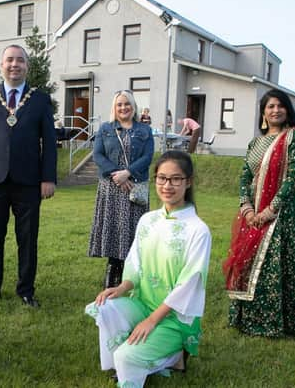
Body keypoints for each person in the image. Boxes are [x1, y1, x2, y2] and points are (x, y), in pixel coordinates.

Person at [86, 151, 211, 388]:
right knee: (104, 308)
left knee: (125, 357)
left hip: (174, 319)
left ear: (189, 181)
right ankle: (142, 356)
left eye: (175, 179)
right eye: (161, 178)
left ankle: (174, 355)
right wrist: (122, 287)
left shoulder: (198, 230)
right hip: (143, 304)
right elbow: (135, 262)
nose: (167, 185)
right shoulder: (148, 220)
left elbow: (189, 285)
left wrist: (152, 321)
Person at [223, 89, 295, 337]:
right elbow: (245, 176)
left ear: (287, 109)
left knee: (272, 264)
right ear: (263, 113)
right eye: (270, 107)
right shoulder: (255, 143)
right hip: (253, 212)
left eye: (280, 106)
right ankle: (247, 318)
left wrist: (270, 210)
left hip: (282, 213)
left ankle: (276, 322)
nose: (275, 110)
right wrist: (246, 208)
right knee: (248, 262)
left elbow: (293, 178)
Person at [0, 44, 57, 308]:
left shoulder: (40, 99)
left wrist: (48, 178)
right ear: (1, 65)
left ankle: (26, 290)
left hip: (29, 181)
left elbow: (49, 142)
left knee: (27, 239)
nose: (14, 65)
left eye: (20, 60)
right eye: (9, 60)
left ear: (27, 66)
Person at [88, 90, 154, 288]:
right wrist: (118, 174)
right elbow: (98, 155)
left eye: (127, 104)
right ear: (114, 108)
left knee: (133, 231)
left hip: (134, 188)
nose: (123, 108)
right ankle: (112, 271)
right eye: (119, 105)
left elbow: (148, 156)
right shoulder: (105, 128)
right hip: (111, 189)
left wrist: (128, 173)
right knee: (113, 228)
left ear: (133, 106)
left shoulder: (144, 130)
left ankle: (130, 274)